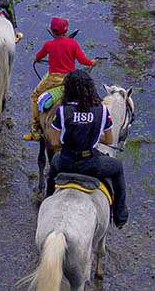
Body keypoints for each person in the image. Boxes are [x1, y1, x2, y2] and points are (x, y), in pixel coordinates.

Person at [42, 67, 128, 229]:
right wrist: (93, 136)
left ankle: (47, 199)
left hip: (66, 162)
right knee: (117, 168)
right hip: (91, 164)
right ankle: (120, 215)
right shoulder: (101, 111)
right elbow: (109, 140)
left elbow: (54, 142)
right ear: (90, 88)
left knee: (53, 165)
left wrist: (71, 137)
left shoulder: (63, 110)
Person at [26, 16, 97, 140]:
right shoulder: (73, 43)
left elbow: (38, 56)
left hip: (52, 80)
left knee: (35, 96)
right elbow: (83, 60)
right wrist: (93, 62)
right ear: (66, 30)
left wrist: (37, 59)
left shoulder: (48, 44)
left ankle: (35, 128)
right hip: (71, 80)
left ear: (52, 32)